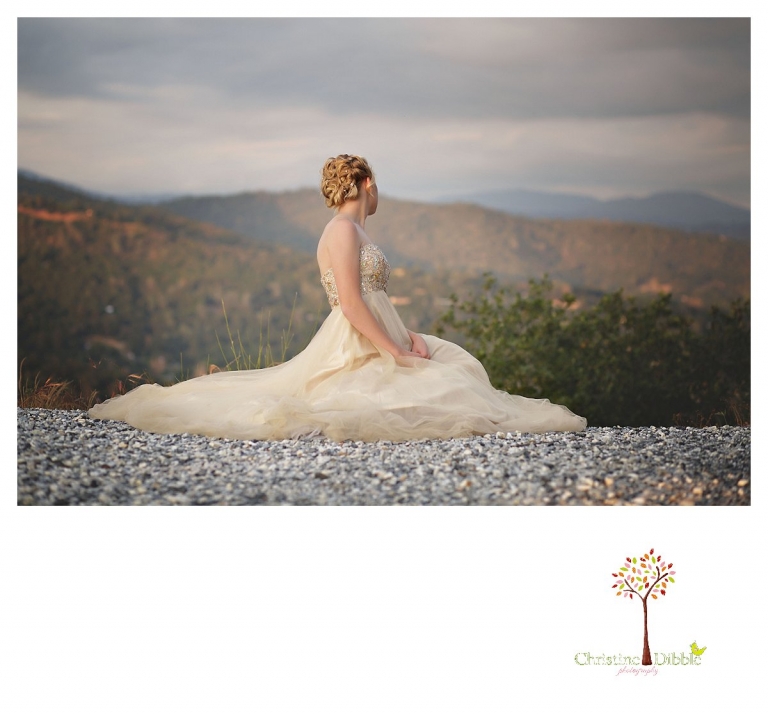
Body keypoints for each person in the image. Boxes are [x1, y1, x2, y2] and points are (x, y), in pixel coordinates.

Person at [89, 154, 587, 441]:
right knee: (428, 390)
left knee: (450, 363)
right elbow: (351, 304)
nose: (379, 194)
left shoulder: (353, 230)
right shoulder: (343, 231)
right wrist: (393, 353)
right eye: (377, 185)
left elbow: (373, 297)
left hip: (380, 331)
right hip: (355, 339)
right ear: (366, 183)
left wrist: (406, 335)